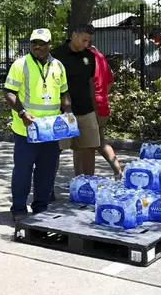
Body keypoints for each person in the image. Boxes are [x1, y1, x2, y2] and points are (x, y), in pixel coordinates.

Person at [4, 28, 72, 222]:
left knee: (46, 171)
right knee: (23, 171)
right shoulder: (20, 64)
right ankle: (18, 208)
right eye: (34, 43)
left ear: (50, 44)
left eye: (42, 43)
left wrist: (67, 110)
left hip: (50, 130)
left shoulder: (58, 66)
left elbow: (64, 93)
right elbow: (9, 92)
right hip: (26, 129)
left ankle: (41, 207)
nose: (37, 46)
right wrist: (22, 112)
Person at [51, 24, 100, 176]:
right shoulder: (56, 55)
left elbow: (91, 82)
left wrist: (95, 107)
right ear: (74, 35)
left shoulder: (90, 56)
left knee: (89, 147)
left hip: (86, 110)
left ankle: (87, 184)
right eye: (84, 40)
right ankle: (47, 187)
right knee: (55, 150)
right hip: (61, 112)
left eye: (89, 41)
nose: (86, 44)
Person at [90, 44, 123, 179]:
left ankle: (84, 179)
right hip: (103, 106)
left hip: (91, 107)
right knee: (98, 142)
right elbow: (110, 82)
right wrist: (102, 95)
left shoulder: (85, 59)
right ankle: (118, 171)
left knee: (88, 145)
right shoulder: (102, 58)